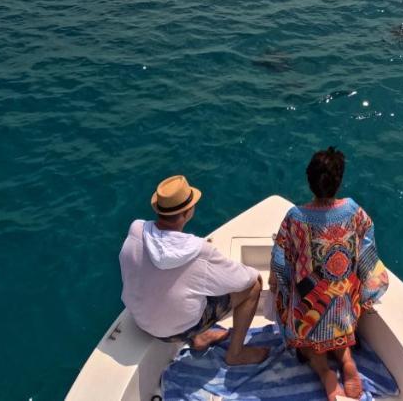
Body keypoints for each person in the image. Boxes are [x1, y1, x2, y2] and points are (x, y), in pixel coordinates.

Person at [270, 148, 389, 400]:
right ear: (339, 181)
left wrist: (281, 286)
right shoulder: (355, 211)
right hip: (343, 311)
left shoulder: (296, 218)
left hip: (308, 318)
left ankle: (324, 372)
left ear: (309, 180)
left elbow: (280, 264)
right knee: (345, 289)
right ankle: (347, 360)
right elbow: (368, 258)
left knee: (292, 298)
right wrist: (365, 291)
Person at [119, 175, 269, 366]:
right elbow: (244, 280)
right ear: (188, 211)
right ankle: (236, 354)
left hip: (139, 320)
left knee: (186, 290)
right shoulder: (199, 251)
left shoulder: (136, 231)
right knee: (254, 286)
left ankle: (200, 338)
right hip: (174, 333)